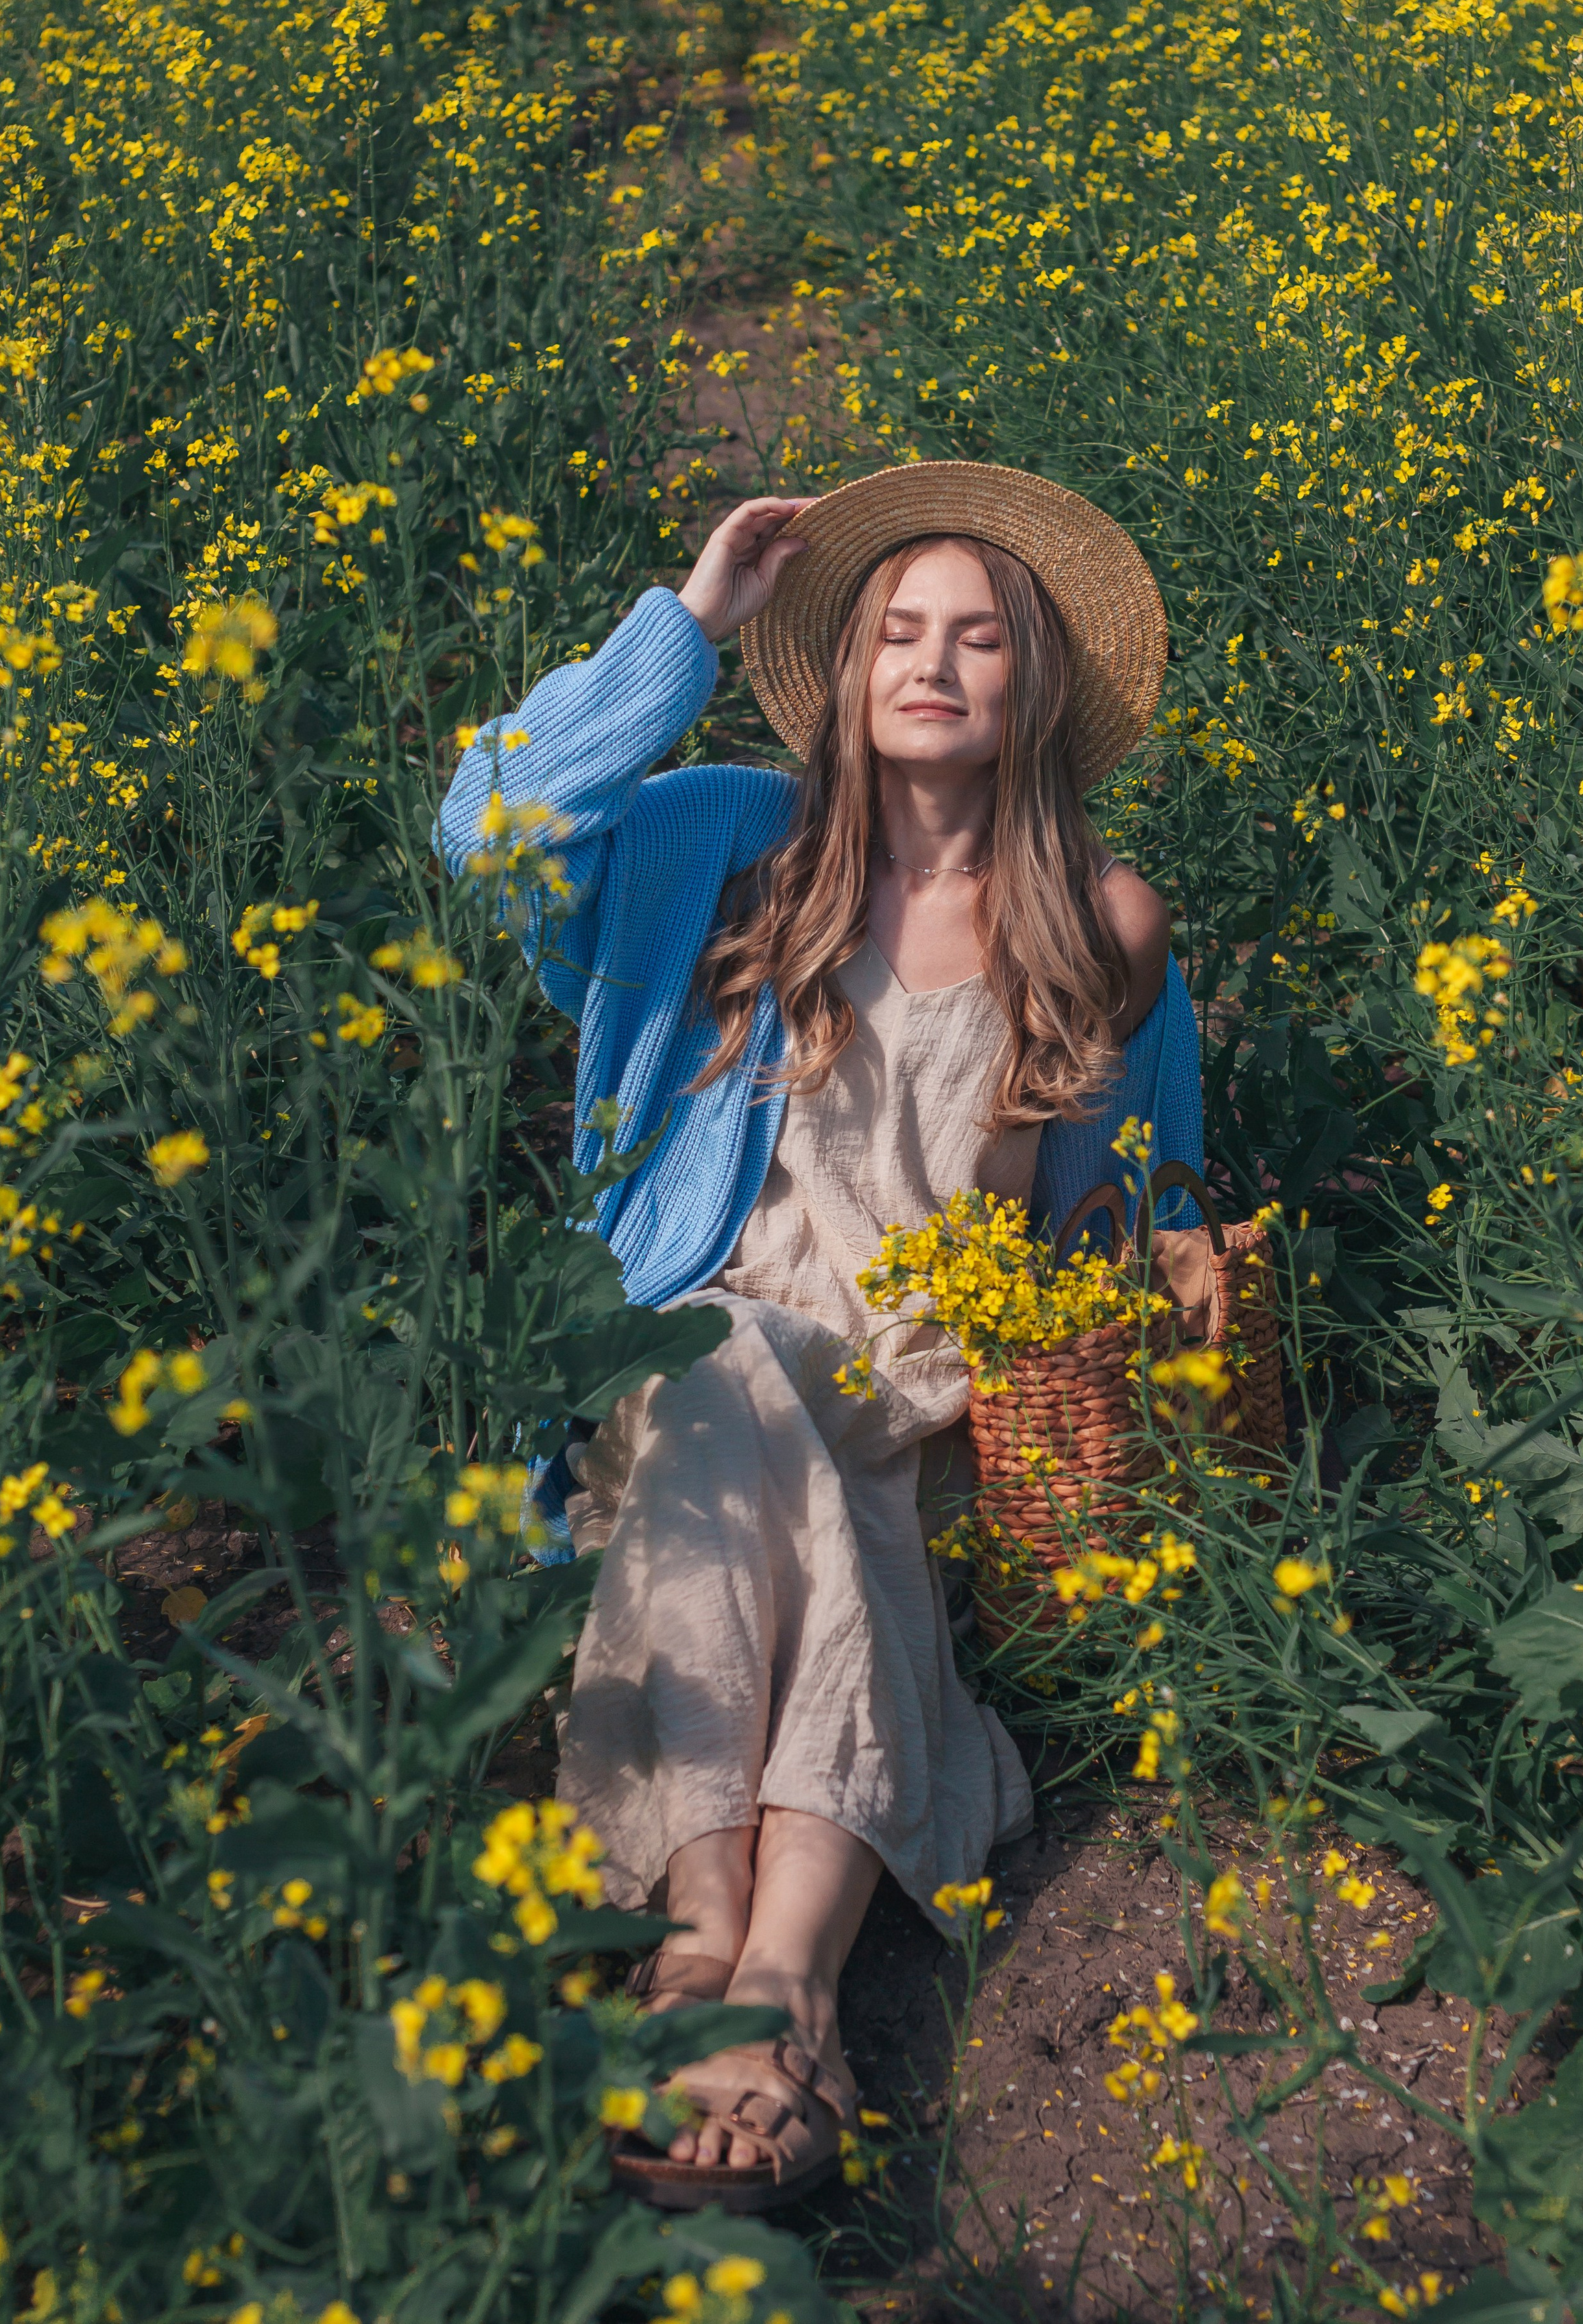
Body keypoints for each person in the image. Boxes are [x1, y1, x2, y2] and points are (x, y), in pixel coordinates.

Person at [441, 461, 1201, 2212]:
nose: (930, 663)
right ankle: (763, 1965)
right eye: (896, 631)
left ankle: (713, 1976)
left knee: (843, 1481)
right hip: (691, 1360)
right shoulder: (723, 848)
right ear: (846, 668)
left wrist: (1175, 1244)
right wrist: (689, 624)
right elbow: (486, 832)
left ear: (1035, 680)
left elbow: (1135, 1191)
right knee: (733, 1363)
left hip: (924, 1400)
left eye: (978, 636)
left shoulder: (1100, 918)